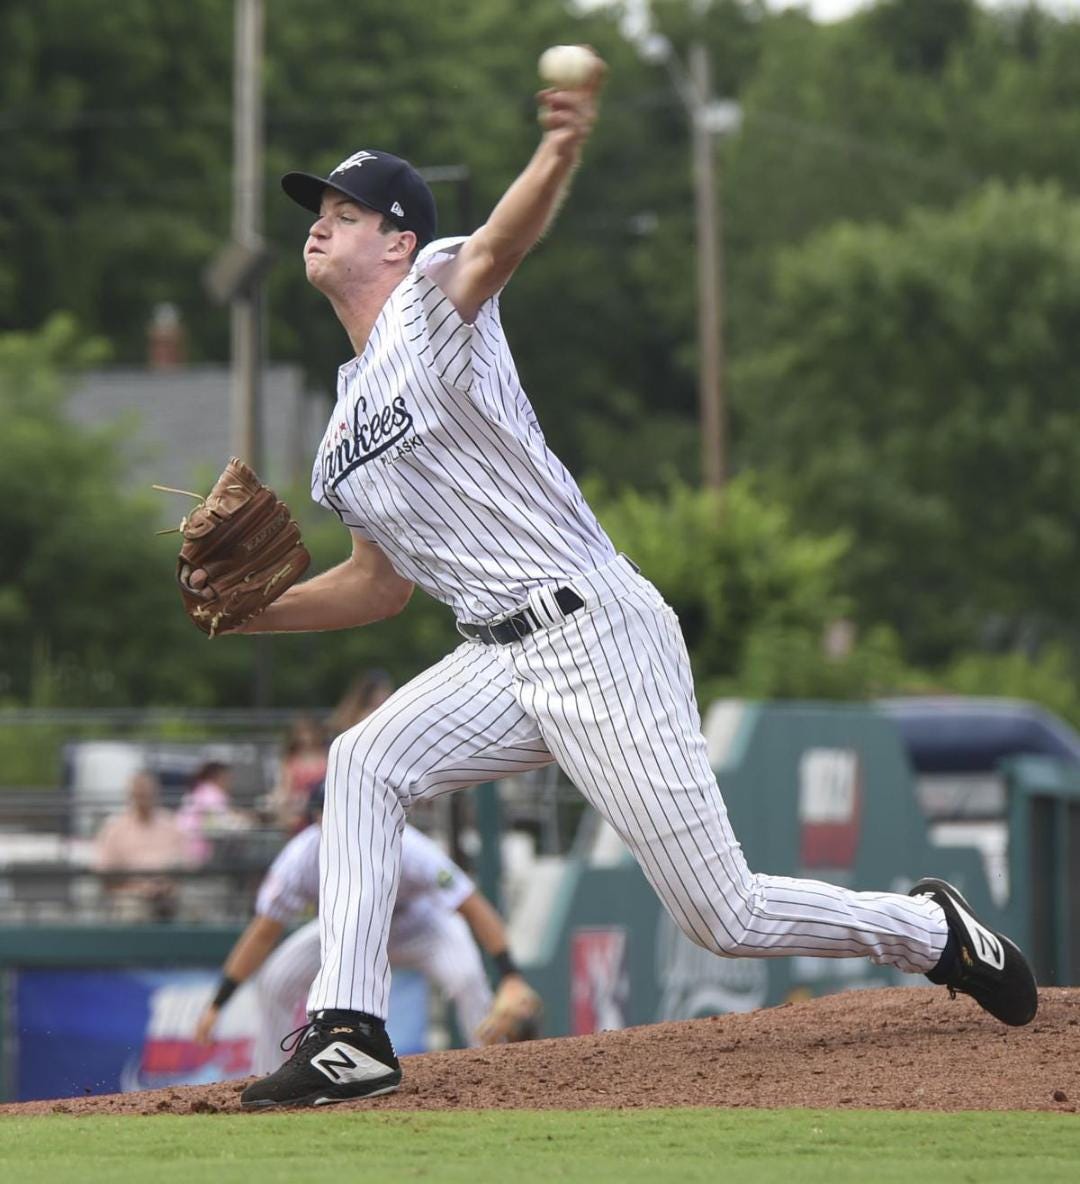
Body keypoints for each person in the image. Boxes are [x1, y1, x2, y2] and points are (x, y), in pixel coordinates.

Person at [220, 52, 1036, 1109]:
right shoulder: (338, 434)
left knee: (722, 915)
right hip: (493, 654)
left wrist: (559, 147)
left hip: (592, 624)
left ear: (401, 237)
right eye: (315, 208)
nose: (321, 221)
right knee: (363, 759)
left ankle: (931, 931)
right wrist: (256, 613)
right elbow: (379, 587)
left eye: (346, 207)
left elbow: (503, 245)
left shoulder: (433, 299)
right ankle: (349, 1030)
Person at [194, 787, 530, 1073]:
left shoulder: (406, 846)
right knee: (275, 980)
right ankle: (269, 1077)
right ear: (316, 819)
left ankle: (493, 1072)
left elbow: (471, 904)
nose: (338, 822)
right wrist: (218, 1001)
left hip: (419, 926)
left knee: (467, 977)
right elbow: (264, 931)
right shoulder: (302, 857)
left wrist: (510, 974)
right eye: (329, 813)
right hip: (350, 931)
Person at [94, 770, 189, 921]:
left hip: (169, 892)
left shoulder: (171, 824)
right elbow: (104, 872)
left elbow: (185, 863)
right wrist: (136, 888)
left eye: (148, 793)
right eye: (139, 793)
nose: (144, 797)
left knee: (194, 906)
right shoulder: (115, 828)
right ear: (131, 795)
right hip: (131, 894)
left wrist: (167, 886)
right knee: (134, 910)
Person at [176, 760, 250, 867]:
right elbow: (225, 825)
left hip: (183, 848)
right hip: (198, 853)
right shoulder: (213, 795)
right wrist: (245, 820)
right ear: (218, 778)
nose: (230, 783)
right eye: (228, 778)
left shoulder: (197, 791)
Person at [266, 716, 329, 833]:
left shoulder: (328, 755)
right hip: (299, 809)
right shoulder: (291, 760)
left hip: (323, 806)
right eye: (302, 733)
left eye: (309, 732)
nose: (306, 737)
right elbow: (285, 788)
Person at [325, 668, 395, 737]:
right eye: (383, 690)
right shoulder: (368, 715)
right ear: (370, 693)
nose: (388, 694)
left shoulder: (349, 712)